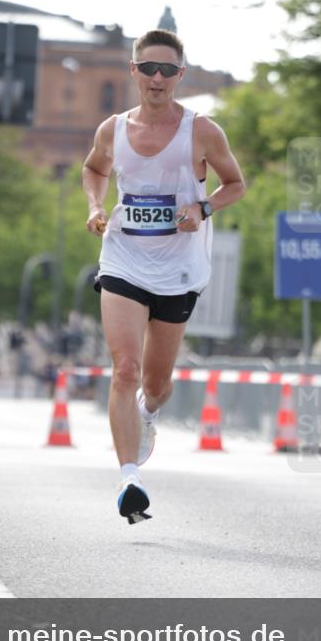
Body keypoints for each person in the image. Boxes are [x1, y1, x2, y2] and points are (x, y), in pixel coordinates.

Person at [82, 29, 246, 524]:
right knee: (125, 370)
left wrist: (204, 207)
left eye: (167, 70)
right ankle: (129, 478)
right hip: (124, 258)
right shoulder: (112, 129)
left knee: (155, 383)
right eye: (148, 68)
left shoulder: (202, 131)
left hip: (178, 268)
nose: (157, 78)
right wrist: (95, 206)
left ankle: (148, 415)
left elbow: (235, 184)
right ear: (132, 71)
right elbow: (94, 169)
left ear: (180, 76)